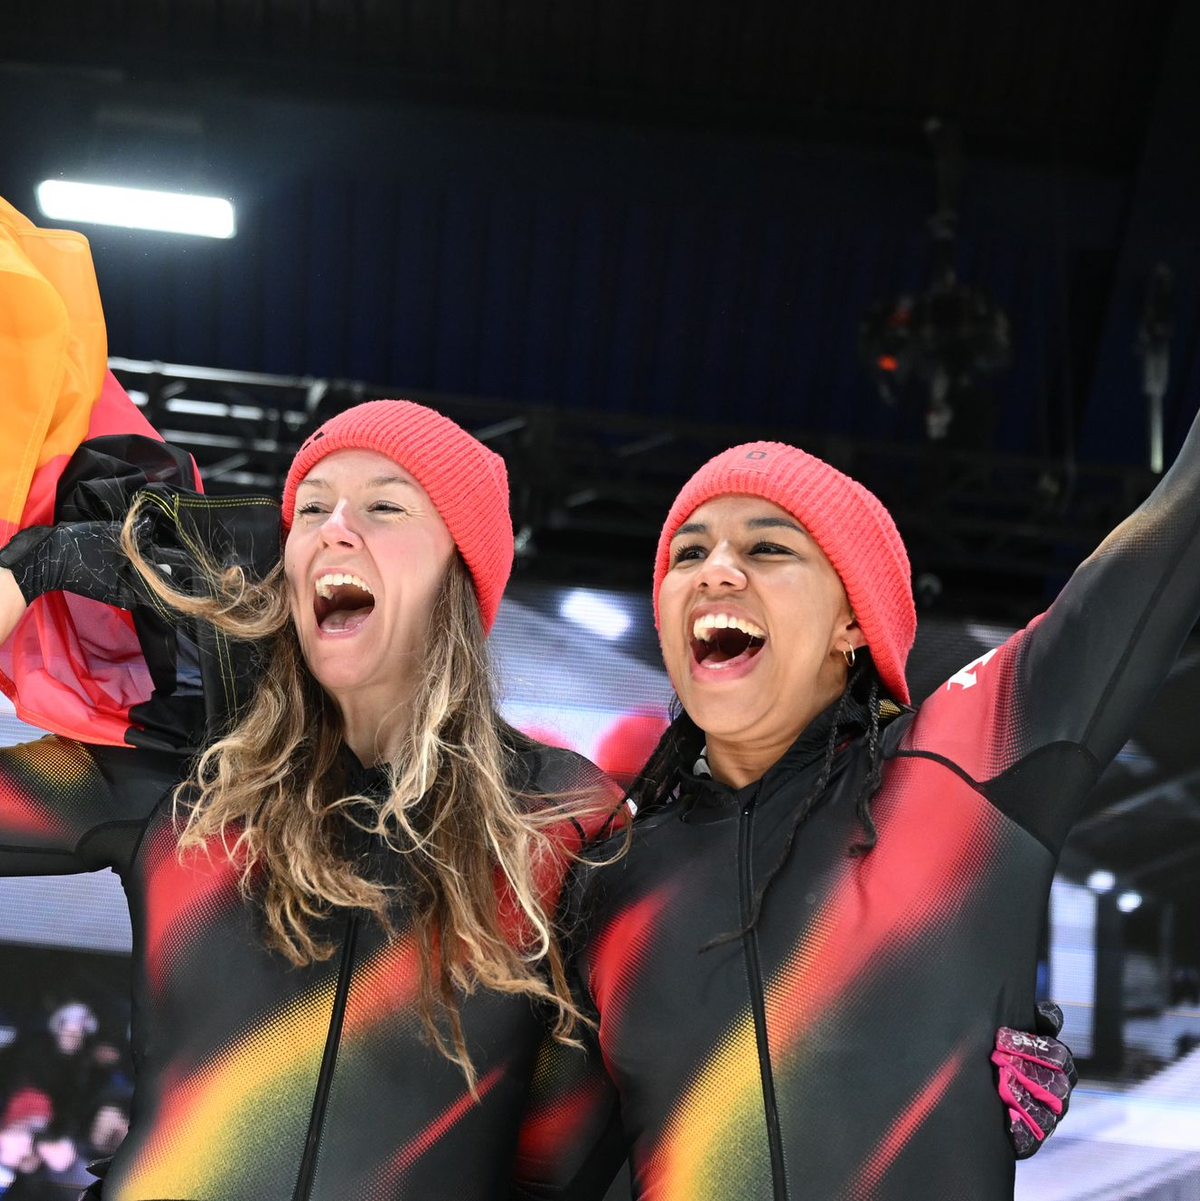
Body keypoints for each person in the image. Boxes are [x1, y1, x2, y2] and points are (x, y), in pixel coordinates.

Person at [511, 415, 1200, 1200]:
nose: (717, 570)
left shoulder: (957, 766)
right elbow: (543, 1173)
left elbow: (1169, 540)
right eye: (689, 551)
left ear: (851, 620)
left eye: (768, 548)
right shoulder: (612, 879)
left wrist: (948, 1023)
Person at [0, 399, 618, 1201]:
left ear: (461, 568)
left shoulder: (559, 811)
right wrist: (23, 575)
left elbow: (567, 1158)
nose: (335, 527)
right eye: (313, 506)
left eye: (386, 505)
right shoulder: (196, 768)